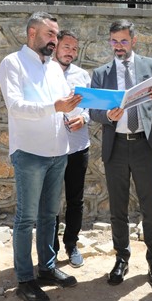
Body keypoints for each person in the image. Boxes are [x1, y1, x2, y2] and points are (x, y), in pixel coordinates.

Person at [0, 12, 82, 301]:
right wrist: (54, 107)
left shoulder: (54, 68)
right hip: (30, 154)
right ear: (32, 33)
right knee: (26, 219)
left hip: (58, 152)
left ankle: (46, 268)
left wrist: (81, 114)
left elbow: (67, 105)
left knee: (49, 215)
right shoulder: (12, 63)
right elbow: (16, 106)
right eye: (50, 34)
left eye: (56, 35)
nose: (54, 40)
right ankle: (25, 280)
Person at [89, 19, 152, 290]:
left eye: (123, 41)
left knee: (150, 207)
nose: (118, 46)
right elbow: (93, 112)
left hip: (144, 145)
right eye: (114, 41)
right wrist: (108, 116)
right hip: (116, 147)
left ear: (134, 41)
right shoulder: (101, 73)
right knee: (118, 208)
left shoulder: (150, 65)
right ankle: (121, 259)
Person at [52, 29, 90, 268]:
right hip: (52, 148)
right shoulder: (44, 73)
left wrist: (84, 118)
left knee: (76, 200)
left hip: (78, 147)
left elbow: (91, 107)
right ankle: (51, 250)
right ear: (56, 46)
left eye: (74, 49)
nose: (71, 52)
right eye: (66, 47)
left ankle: (71, 244)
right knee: (51, 202)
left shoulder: (83, 75)